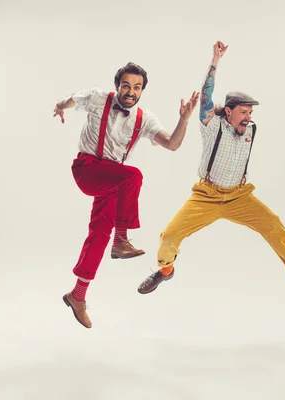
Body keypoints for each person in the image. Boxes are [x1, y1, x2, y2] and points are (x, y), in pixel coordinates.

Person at [136, 41, 285, 298]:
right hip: (206, 195)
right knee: (169, 236)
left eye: (250, 112)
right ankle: (165, 271)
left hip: (239, 196)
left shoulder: (250, 130)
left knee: (273, 224)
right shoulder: (213, 125)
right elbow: (205, 97)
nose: (248, 117)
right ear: (228, 112)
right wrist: (215, 60)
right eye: (243, 112)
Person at [53, 61, 200, 328]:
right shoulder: (99, 98)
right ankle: (121, 239)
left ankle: (78, 295)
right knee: (133, 175)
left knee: (98, 235)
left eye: (137, 87)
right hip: (88, 169)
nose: (130, 92)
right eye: (126, 86)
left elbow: (172, 144)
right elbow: (72, 100)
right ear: (117, 86)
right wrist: (60, 106)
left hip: (113, 181)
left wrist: (184, 119)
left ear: (142, 90)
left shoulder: (144, 119)